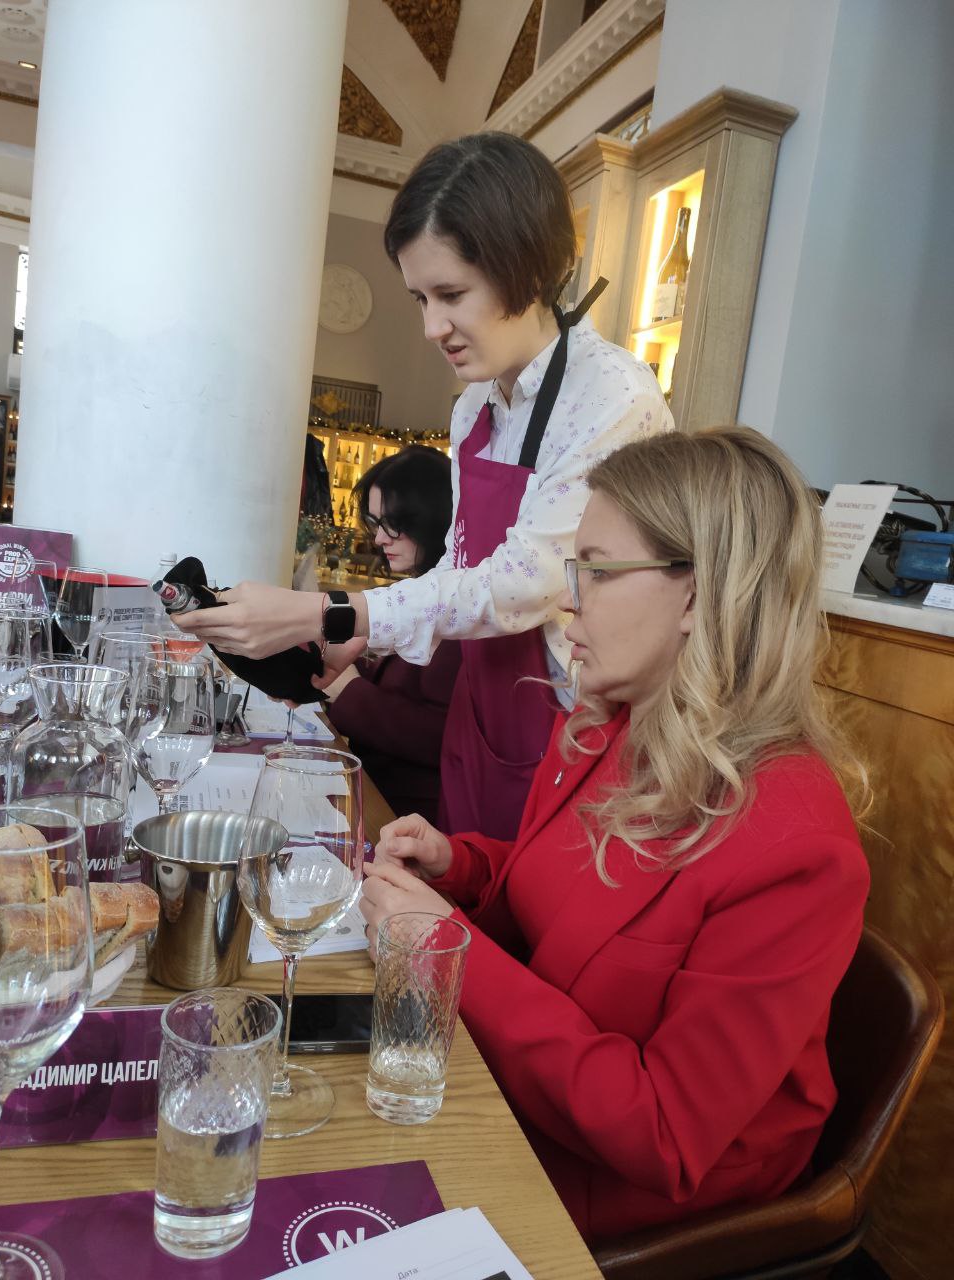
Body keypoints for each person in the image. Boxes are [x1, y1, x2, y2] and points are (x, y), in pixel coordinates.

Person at [359, 426, 871, 1244]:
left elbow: (664, 1135)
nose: (571, 603)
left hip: (643, 1199)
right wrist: (461, 864)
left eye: (596, 570)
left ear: (700, 596)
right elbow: (558, 898)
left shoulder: (797, 848)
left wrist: (442, 948)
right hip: (532, 1100)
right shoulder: (610, 725)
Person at [172, 132, 673, 840]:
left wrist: (325, 613)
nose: (433, 326)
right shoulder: (474, 409)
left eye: (452, 294)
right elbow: (461, 569)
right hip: (480, 717)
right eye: (420, 297)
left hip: (570, 729)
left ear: (528, 267)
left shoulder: (611, 395)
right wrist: (365, 641)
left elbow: (521, 586)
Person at [323, 446, 460, 823]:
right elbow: (399, 684)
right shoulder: (420, 592)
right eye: (375, 523)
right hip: (376, 796)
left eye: (394, 523)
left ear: (434, 517)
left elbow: (441, 736)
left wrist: (347, 689)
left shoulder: (462, 609)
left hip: (414, 819)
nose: (380, 538)